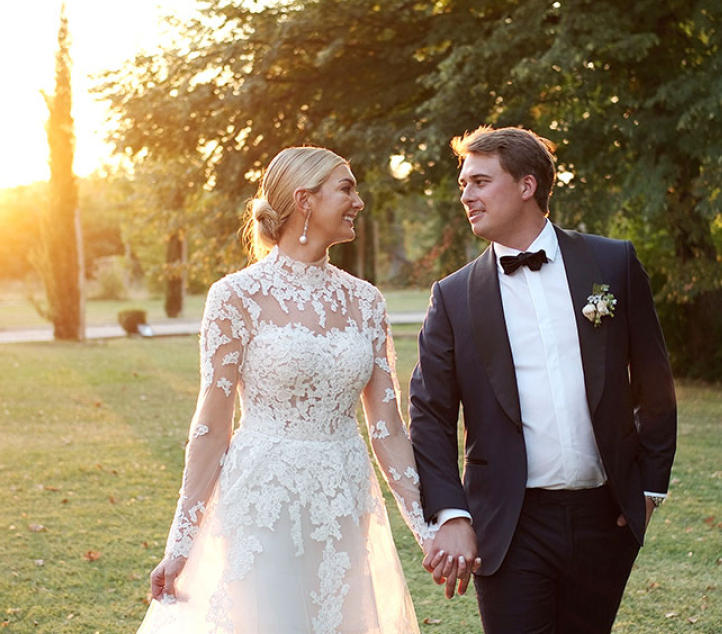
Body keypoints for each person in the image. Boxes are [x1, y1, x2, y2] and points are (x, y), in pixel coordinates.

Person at [136, 146, 432, 634]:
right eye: (346, 189)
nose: (358, 201)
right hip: (263, 498)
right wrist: (180, 544)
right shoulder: (235, 297)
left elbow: (388, 427)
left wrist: (427, 531)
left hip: (344, 496)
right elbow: (211, 426)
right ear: (305, 200)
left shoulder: (365, 301)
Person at [409, 126, 677, 634]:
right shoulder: (453, 295)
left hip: (606, 517)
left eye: (481, 182)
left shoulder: (611, 263)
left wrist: (650, 484)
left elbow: (654, 378)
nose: (466, 195)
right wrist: (452, 515)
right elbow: (429, 414)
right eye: (464, 184)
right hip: (510, 524)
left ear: (527, 186)